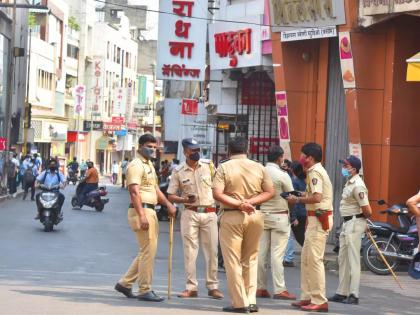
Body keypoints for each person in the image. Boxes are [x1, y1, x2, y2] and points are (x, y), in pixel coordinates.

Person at [212, 136, 275, 313]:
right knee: (251, 258)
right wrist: (251, 202)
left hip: (232, 215)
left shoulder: (224, 167)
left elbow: (217, 194)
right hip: (255, 214)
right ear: (247, 150)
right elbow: (270, 192)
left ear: (228, 150)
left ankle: (240, 303)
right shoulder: (259, 167)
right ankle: (251, 300)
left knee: (232, 261)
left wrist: (240, 204)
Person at [115, 134, 177, 302]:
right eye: (149, 146)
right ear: (140, 146)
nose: (153, 149)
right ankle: (144, 289)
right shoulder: (135, 165)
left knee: (146, 251)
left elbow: (155, 189)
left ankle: (125, 283)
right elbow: (134, 191)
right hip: (142, 210)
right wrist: (142, 215)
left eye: (155, 147)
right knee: (148, 252)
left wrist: (168, 205)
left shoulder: (148, 164)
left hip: (151, 210)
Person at [168, 138, 223, 300]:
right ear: (185, 152)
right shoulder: (178, 171)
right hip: (189, 213)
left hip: (210, 213)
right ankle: (191, 287)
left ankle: (213, 287)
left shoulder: (209, 166)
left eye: (198, 149)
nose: (196, 152)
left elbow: (219, 187)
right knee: (190, 252)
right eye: (192, 150)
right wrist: (184, 200)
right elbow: (171, 195)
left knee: (212, 251)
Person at [287, 143, 333, 313]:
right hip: (314, 219)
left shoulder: (315, 172)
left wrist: (297, 200)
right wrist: (299, 196)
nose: (301, 158)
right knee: (307, 260)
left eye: (302, 155)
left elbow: (317, 197)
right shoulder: (314, 171)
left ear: (309, 158)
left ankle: (320, 300)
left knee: (314, 261)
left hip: (319, 220)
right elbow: (313, 195)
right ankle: (307, 297)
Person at [328, 155, 372, 305]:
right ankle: (342, 292)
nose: (344, 168)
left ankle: (354, 295)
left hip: (354, 222)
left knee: (353, 260)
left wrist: (362, 222)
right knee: (343, 259)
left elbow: (367, 210)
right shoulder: (349, 183)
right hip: (347, 223)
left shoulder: (358, 185)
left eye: (346, 166)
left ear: (354, 168)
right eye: (344, 165)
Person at [256, 145, 296, 300]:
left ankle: (260, 287)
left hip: (262, 216)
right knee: (277, 256)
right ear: (280, 158)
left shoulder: (260, 172)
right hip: (279, 217)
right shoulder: (282, 175)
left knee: (261, 253)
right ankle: (279, 289)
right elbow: (291, 197)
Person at [284, 161, 307, 267]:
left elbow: (293, 201)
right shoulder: (303, 181)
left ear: (292, 170)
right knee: (299, 236)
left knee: (294, 236)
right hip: (303, 212)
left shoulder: (294, 182)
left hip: (297, 213)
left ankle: (288, 258)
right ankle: (307, 255)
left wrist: (293, 217)